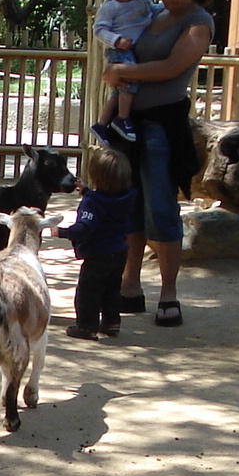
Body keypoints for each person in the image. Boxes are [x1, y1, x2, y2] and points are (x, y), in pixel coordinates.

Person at [102, 0, 215, 328]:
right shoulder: (152, 13)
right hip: (129, 124)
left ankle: (169, 292)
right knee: (129, 204)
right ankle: (130, 282)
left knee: (161, 208)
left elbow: (172, 67)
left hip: (163, 126)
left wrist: (123, 71)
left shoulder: (199, 22)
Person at [57, 143, 136, 339]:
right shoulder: (128, 197)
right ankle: (111, 322)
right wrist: (86, 191)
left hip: (98, 254)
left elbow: (84, 228)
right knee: (112, 289)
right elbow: (107, 202)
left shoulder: (92, 203)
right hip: (120, 252)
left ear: (95, 177)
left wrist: (61, 232)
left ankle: (86, 327)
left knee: (88, 291)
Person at [93, 0, 158, 142]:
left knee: (118, 91)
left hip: (133, 50)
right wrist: (116, 40)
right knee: (129, 83)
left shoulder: (143, 0)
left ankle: (101, 123)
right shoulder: (110, 7)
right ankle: (122, 118)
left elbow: (153, 11)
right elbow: (99, 30)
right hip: (119, 51)